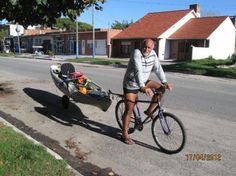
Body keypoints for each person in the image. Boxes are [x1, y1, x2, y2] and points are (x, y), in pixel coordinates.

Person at [122, 38, 172, 145]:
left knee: (161, 89)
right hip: (131, 84)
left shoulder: (153, 55)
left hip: (144, 82)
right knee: (129, 110)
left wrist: (165, 82)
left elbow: (158, 68)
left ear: (153, 48)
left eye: (149, 47)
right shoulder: (137, 53)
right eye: (144, 46)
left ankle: (149, 111)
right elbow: (138, 70)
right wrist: (142, 86)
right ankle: (125, 134)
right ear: (141, 46)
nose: (146, 49)